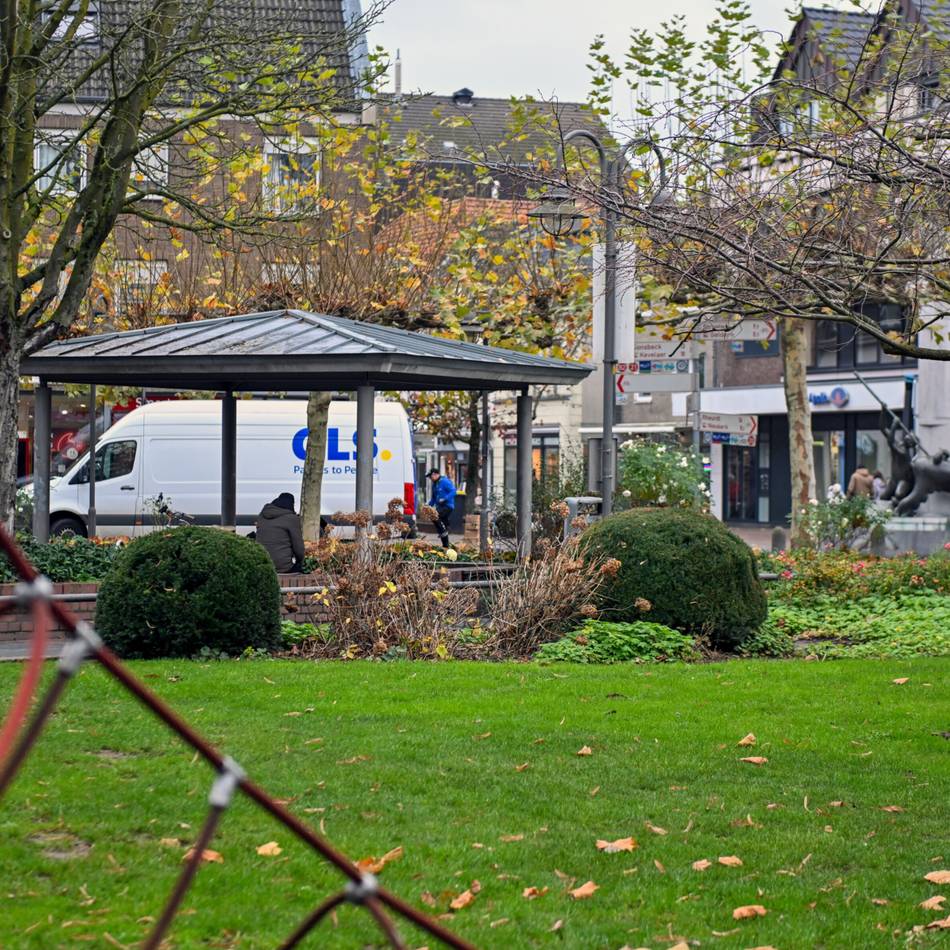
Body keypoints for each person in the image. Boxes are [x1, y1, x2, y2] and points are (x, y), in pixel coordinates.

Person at [255, 492, 305, 573]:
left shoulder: (262, 515)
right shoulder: (292, 519)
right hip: (283, 567)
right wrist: (301, 561)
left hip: (261, 564)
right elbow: (298, 548)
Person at [427, 468, 456, 548]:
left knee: (435, 516)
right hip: (440, 507)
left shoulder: (444, 481)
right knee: (435, 518)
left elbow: (453, 491)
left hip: (447, 506)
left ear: (435, 474)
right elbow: (433, 498)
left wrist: (445, 498)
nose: (430, 479)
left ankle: (443, 530)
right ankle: (445, 545)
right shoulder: (434, 485)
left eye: (430, 476)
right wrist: (428, 506)